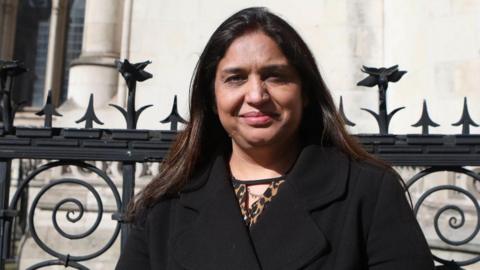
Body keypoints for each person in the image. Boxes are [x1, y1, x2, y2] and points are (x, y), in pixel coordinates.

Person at [116, 7, 434, 270]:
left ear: (305, 92)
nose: (256, 95)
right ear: (212, 98)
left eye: (275, 76)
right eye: (235, 78)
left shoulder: (368, 194)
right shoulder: (165, 206)